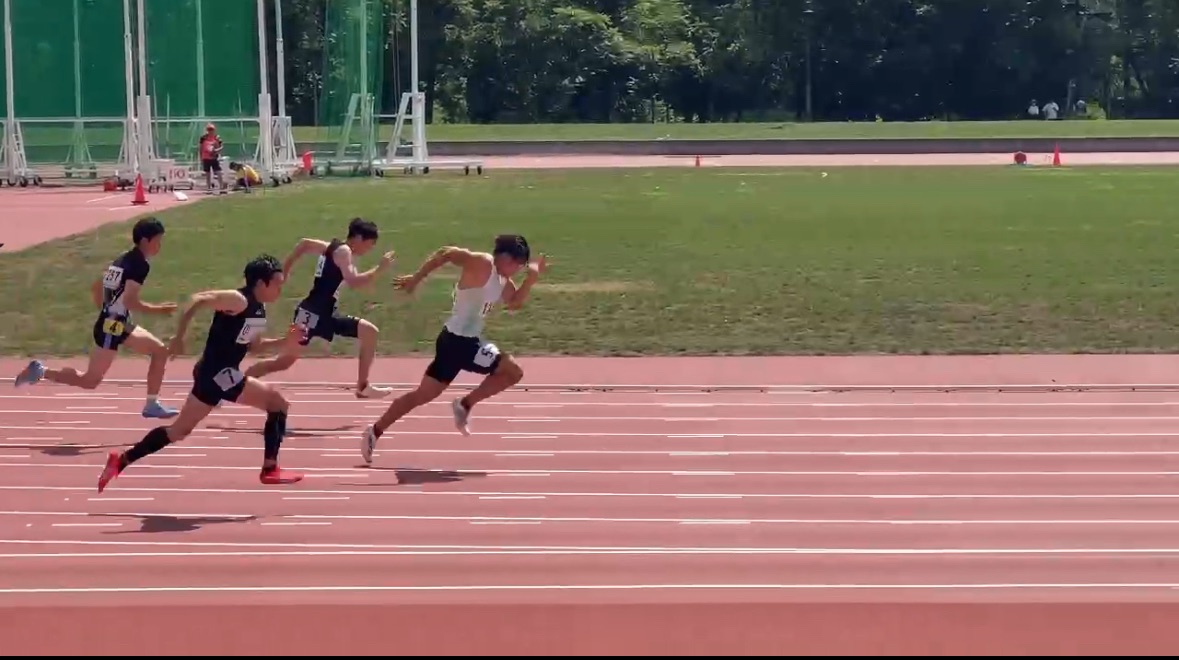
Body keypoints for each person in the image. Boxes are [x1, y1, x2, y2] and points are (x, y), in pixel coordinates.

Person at [97, 254, 307, 493]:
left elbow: (255, 347)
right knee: (277, 404)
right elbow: (198, 300)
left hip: (212, 375)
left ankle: (121, 460)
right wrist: (179, 337)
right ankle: (270, 469)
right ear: (261, 283)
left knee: (178, 431)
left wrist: (285, 340)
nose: (280, 289)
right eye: (277, 284)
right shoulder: (238, 299)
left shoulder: (259, 310)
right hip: (219, 374)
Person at [360, 234, 547, 465]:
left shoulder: (502, 280)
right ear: (507, 258)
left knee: (422, 395)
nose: (517, 271)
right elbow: (446, 253)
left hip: (456, 341)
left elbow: (514, 302)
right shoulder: (483, 263)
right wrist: (416, 279)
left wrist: (531, 279)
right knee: (512, 371)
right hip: (459, 342)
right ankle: (464, 404)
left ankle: (374, 431)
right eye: (518, 266)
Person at [14, 217, 180, 419]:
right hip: (112, 326)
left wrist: (107, 311)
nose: (160, 246)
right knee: (91, 380)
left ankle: (151, 405)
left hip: (114, 324)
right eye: (158, 241)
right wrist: (159, 310)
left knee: (156, 353)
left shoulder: (122, 259)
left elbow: (96, 288)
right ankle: (41, 371)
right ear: (145, 240)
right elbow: (130, 301)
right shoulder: (139, 265)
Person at [243, 218, 396, 398]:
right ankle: (240, 382)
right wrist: (379, 269)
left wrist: (286, 270)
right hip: (311, 313)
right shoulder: (344, 251)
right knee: (284, 361)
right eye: (369, 244)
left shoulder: (333, 248)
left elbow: (304, 244)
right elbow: (353, 281)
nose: (369, 249)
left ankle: (363, 386)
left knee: (369, 332)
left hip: (324, 313)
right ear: (358, 238)